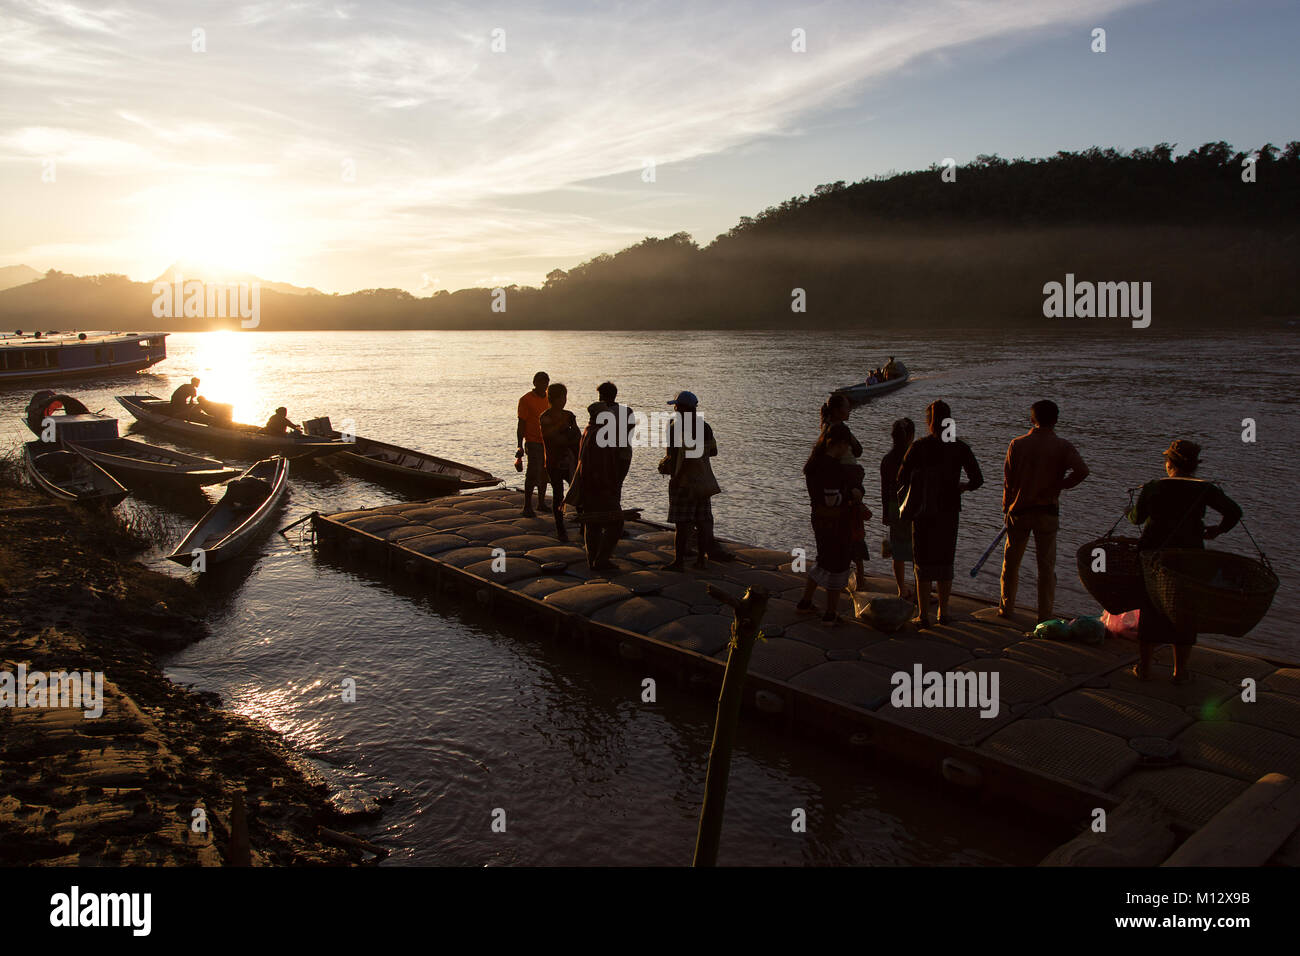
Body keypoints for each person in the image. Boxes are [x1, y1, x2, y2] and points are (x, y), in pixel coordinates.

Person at [1127, 440, 1242, 684]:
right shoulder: (1204, 489)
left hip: (1154, 556)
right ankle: (1180, 672)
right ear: (1194, 467)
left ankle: (1145, 669)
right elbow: (1234, 512)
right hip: (1189, 557)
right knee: (1185, 611)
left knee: (1151, 608)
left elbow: (1137, 519)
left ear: (1169, 464)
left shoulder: (1153, 487)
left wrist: (1128, 510)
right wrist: (1216, 530)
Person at [999, 400, 1090, 623]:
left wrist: (1006, 509)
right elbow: (1082, 471)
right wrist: (1060, 484)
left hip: (1019, 511)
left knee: (1011, 564)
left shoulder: (1017, 444)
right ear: (1056, 420)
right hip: (1047, 512)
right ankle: (1044, 615)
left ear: (1032, 419)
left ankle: (1006, 608)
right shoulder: (1063, 446)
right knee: (1046, 568)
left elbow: (1008, 482)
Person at [897, 400, 983, 627]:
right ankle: (944, 613)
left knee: (922, 562)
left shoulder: (919, 446)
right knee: (945, 561)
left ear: (929, 422)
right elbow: (978, 479)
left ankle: (923, 615)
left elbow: (901, 477)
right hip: (949, 511)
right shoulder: (960, 447)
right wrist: (962, 487)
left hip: (923, 512)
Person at [796, 423, 859, 624]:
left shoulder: (814, 464)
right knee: (838, 565)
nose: (847, 451)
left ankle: (805, 602)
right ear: (839, 444)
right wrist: (852, 496)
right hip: (835, 521)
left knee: (823, 560)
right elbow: (832, 499)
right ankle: (831, 613)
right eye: (846, 446)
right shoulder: (832, 467)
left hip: (818, 518)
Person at [662, 391, 722, 571]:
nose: (675, 409)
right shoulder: (705, 427)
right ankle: (701, 560)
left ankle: (678, 562)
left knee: (682, 525)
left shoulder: (675, 427)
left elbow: (673, 456)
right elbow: (713, 452)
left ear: (680, 408)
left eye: (676, 406)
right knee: (702, 522)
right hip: (702, 481)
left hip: (683, 482)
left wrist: (675, 477)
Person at [572, 401, 625, 572]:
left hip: (588, 485)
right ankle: (601, 559)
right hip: (600, 486)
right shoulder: (600, 434)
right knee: (616, 523)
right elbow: (600, 465)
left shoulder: (589, 431)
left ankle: (592, 559)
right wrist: (609, 485)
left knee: (592, 524)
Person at [539, 383, 581, 542]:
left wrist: (568, 436)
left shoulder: (569, 415)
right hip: (554, 462)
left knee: (578, 492)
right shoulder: (545, 417)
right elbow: (555, 439)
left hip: (570, 461)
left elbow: (577, 436)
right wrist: (567, 435)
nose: (564, 400)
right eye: (561, 397)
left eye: (565, 397)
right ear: (553, 399)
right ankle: (560, 529)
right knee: (558, 495)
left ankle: (584, 524)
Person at [880, 417, 916, 600]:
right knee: (918, 550)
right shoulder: (915, 458)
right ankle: (921, 589)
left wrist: (885, 512)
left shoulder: (887, 460)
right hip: (913, 505)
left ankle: (901, 589)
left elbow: (884, 489)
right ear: (910, 436)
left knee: (898, 551)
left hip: (894, 506)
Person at [516, 371, 551, 517]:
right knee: (532, 474)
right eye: (541, 382)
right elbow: (521, 423)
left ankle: (541, 503)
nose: (543, 385)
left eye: (545, 382)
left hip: (547, 442)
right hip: (532, 441)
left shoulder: (550, 398)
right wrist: (519, 445)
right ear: (535, 383)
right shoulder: (526, 400)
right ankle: (527, 506)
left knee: (545, 474)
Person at [819, 393, 862, 460]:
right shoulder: (836, 430)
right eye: (847, 407)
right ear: (836, 411)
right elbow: (858, 451)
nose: (849, 410)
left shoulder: (827, 425)